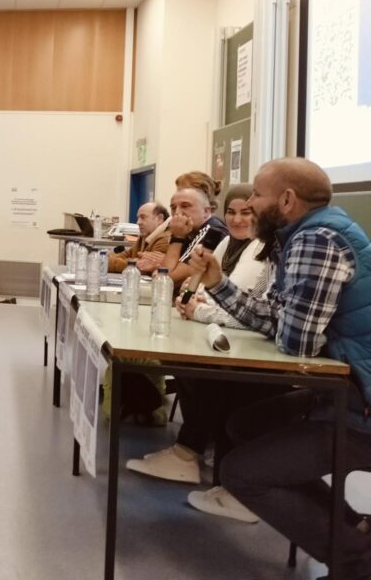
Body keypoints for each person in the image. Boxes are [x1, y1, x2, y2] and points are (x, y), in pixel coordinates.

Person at [180, 158, 371, 573]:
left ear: (286, 200)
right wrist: (217, 284)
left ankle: (357, 562)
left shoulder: (316, 239)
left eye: (256, 194)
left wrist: (279, 321)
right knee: (246, 424)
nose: (249, 203)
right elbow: (278, 320)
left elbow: (297, 342)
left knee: (239, 473)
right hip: (345, 391)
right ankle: (353, 528)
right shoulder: (306, 234)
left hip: (359, 407)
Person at [126, 184, 276, 520]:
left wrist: (200, 309)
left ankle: (195, 457)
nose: (237, 219)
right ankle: (187, 453)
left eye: (246, 212)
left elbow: (245, 306)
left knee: (212, 377)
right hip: (224, 333)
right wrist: (189, 301)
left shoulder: (262, 249)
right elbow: (194, 283)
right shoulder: (227, 243)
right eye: (232, 212)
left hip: (255, 347)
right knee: (184, 365)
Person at [159, 186, 221, 288]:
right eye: (173, 208)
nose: (177, 213)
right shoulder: (188, 230)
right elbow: (161, 275)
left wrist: (177, 237)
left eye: (185, 206)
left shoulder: (211, 230)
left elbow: (165, 279)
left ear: (206, 212)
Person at [108, 202, 171, 274]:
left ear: (159, 219)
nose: (138, 222)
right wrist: (132, 262)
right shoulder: (143, 238)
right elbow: (121, 257)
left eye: (143, 217)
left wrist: (112, 263)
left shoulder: (164, 239)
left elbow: (143, 267)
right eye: (138, 218)